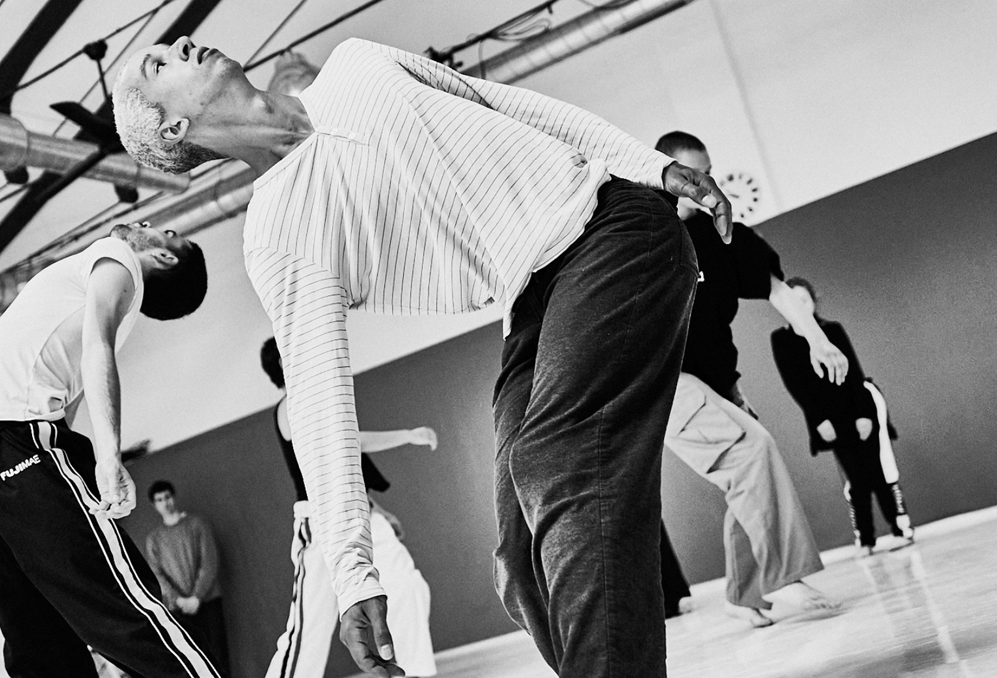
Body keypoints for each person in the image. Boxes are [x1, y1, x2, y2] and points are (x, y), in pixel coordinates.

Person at [116, 36, 729, 678]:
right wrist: (354, 577)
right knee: (517, 562)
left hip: (610, 227)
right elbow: (320, 406)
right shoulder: (278, 233)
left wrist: (646, 163)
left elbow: (506, 102)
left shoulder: (358, 64)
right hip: (529, 301)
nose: (181, 44)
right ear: (174, 128)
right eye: (158, 66)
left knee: (557, 460)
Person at [0, 223, 220, 678]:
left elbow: (99, 350)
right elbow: (72, 395)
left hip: (19, 444)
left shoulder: (120, 260)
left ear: (165, 259)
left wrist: (109, 456)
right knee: (36, 643)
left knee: (123, 608)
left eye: (167, 233)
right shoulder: (96, 294)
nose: (148, 225)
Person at [655, 131, 845, 628]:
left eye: (709, 171)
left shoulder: (724, 234)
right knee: (751, 452)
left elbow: (778, 289)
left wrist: (817, 340)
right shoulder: (640, 232)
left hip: (719, 383)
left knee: (753, 474)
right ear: (667, 171)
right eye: (692, 173)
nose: (704, 183)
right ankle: (785, 577)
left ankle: (745, 594)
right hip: (666, 384)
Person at [260, 338, 437, 678]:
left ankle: (413, 672)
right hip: (321, 522)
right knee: (310, 626)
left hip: (360, 511)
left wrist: (376, 509)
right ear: (284, 364)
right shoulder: (291, 405)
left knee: (407, 585)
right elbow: (349, 441)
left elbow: (345, 466)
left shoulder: (317, 399)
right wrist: (408, 434)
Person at [771, 277, 914, 557]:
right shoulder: (782, 340)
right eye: (793, 300)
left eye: (805, 299)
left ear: (814, 301)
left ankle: (901, 529)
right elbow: (795, 384)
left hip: (859, 411)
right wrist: (819, 420)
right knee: (857, 480)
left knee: (879, 473)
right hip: (829, 422)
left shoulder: (832, 331)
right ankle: (866, 539)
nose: (800, 305)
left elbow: (854, 373)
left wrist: (864, 415)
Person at [145, 480, 230, 676]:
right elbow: (157, 574)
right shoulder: (154, 539)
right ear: (154, 505)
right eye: (159, 500)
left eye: (167, 497)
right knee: (193, 658)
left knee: (218, 653)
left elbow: (209, 562)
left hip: (208, 602)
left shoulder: (197, 524)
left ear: (174, 497)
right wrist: (178, 600)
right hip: (178, 608)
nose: (165, 503)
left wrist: (196, 597)